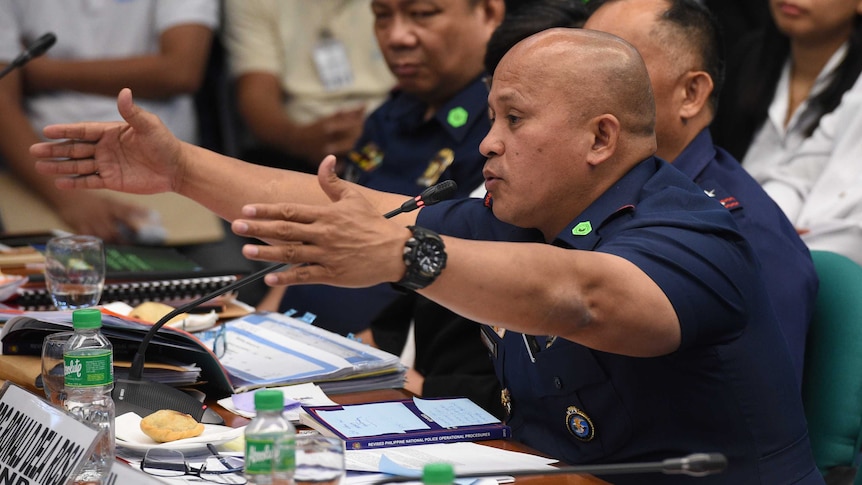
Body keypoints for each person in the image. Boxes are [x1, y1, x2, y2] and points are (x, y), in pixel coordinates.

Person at [31, 28, 822, 483]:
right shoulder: (519, 210)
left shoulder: (702, 228)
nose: (488, 142)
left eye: (512, 119)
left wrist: (410, 258)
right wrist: (180, 168)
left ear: (601, 138)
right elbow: (349, 207)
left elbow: (588, 297)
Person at [369, 0, 588, 417]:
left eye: (517, 117)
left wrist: (429, 385)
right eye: (492, 116)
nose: (489, 142)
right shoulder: (394, 117)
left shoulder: (653, 221)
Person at [583, 0, 817, 385]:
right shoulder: (599, 191)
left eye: (613, 68)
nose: (581, 84)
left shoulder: (749, 237)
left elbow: (756, 419)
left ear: (691, 93)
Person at [260, 0, 506, 336]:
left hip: (382, 363)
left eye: (422, 14)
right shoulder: (386, 116)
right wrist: (262, 320)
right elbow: (321, 238)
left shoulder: (498, 133)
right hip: (290, 336)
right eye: (382, 16)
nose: (397, 37)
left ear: (488, 13)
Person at [0, 0, 219, 242]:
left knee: (233, 274)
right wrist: (68, 199)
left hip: (169, 180)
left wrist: (42, 73)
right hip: (44, 183)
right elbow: (3, 96)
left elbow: (180, 72)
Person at [222, 0, 395, 173]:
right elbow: (257, 94)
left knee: (389, 172)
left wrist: (380, 134)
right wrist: (297, 140)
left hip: (391, 133)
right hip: (296, 148)